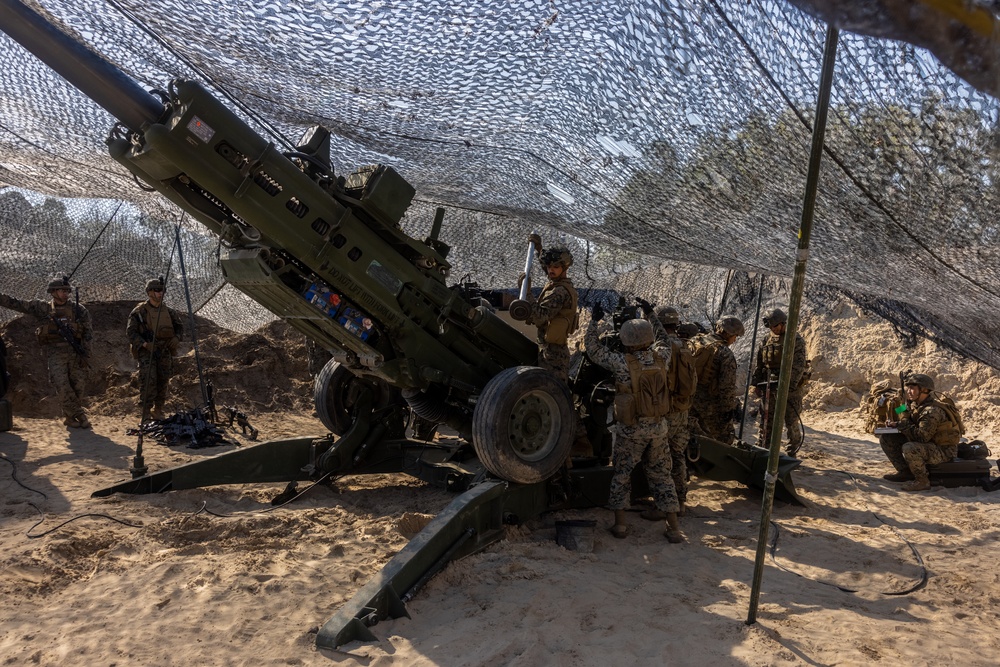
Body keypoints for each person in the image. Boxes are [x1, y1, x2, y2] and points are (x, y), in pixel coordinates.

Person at [585, 302, 683, 543]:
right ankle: (673, 528)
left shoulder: (621, 363)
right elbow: (663, 336)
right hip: (659, 428)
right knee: (662, 475)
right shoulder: (663, 357)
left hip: (631, 432)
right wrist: (650, 314)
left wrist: (593, 322)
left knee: (622, 474)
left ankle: (620, 526)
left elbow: (593, 349)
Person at [0, 276, 92, 428]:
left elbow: (88, 333)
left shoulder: (79, 310)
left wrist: (86, 354)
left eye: (67, 291)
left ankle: (70, 417)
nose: (66, 293)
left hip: (76, 353)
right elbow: (18, 304)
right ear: (53, 292)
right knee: (61, 384)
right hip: (55, 352)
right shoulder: (43, 308)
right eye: (62, 290)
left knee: (78, 386)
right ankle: (80, 415)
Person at [880, 373, 960, 491]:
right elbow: (902, 412)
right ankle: (905, 472)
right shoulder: (915, 404)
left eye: (912, 388)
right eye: (908, 388)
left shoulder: (931, 411)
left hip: (943, 450)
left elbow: (922, 437)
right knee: (887, 438)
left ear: (924, 390)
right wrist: (898, 410)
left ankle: (922, 481)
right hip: (929, 445)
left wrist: (901, 424)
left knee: (909, 448)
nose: (909, 391)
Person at [655, 305, 697, 515]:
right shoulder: (686, 346)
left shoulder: (663, 348)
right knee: (678, 455)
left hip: (667, 409)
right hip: (683, 408)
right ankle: (680, 501)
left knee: (661, 459)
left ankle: (663, 506)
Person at [750, 308, 807, 455]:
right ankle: (763, 448)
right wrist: (756, 382)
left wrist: (788, 386)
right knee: (766, 419)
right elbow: (760, 362)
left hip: (789, 389)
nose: (773, 329)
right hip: (770, 386)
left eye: (775, 326)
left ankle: (792, 450)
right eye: (770, 327)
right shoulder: (767, 339)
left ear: (783, 324)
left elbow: (798, 366)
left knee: (791, 421)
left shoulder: (795, 340)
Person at [127, 277, 184, 421]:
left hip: (164, 351)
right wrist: (145, 344)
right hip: (147, 352)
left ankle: (158, 409)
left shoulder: (169, 312)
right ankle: (145, 412)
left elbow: (179, 327)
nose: (161, 293)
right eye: (157, 290)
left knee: (163, 380)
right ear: (149, 293)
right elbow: (131, 333)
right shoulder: (139, 312)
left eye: (162, 290)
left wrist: (177, 338)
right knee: (148, 380)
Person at [521, 245, 579, 384]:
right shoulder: (559, 283)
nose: (550, 270)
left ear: (564, 268)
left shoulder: (559, 291)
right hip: (549, 350)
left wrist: (527, 293)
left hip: (553, 356)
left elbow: (540, 317)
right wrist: (539, 249)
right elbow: (549, 268)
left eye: (555, 267)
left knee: (552, 393)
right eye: (548, 266)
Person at [688, 316, 745, 446]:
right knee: (724, 439)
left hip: (689, 399)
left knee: (693, 436)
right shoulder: (725, 353)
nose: (735, 340)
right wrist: (728, 409)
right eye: (735, 336)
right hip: (710, 404)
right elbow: (727, 387)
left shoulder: (696, 340)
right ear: (728, 334)